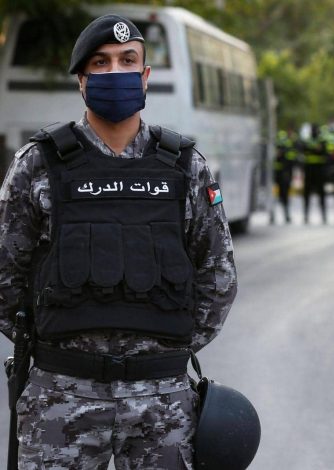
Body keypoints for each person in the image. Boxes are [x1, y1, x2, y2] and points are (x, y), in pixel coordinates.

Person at [0, 14, 237, 468]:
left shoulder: (186, 167)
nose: (115, 72)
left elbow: (219, 277)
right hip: (61, 396)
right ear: (82, 81)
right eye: (101, 62)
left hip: (162, 401)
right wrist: (52, 347)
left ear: (145, 76)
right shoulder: (38, 164)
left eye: (128, 61)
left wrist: (165, 350)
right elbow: (5, 274)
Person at [302, 124, 328, 224]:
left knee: (321, 194)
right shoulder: (308, 141)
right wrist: (316, 150)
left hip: (319, 171)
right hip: (309, 171)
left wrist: (314, 150)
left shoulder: (322, 141)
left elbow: (324, 153)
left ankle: (324, 216)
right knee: (306, 194)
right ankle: (306, 215)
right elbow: (305, 151)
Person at [272, 128, 299, 224]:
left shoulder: (288, 147)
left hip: (284, 173)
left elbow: (292, 160)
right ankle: (273, 215)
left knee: (285, 195)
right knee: (277, 196)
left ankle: (285, 215)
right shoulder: (284, 146)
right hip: (278, 173)